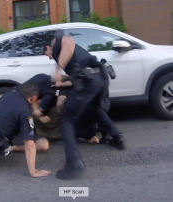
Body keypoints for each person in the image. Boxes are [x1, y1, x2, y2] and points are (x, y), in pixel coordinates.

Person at [44, 34, 125, 180]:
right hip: (100, 78)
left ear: (49, 47)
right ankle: (117, 136)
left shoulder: (58, 39)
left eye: (46, 53)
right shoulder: (66, 56)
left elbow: (70, 41)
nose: (47, 56)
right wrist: (61, 84)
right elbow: (75, 78)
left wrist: (58, 68)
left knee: (67, 120)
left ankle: (74, 163)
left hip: (91, 80)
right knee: (95, 109)